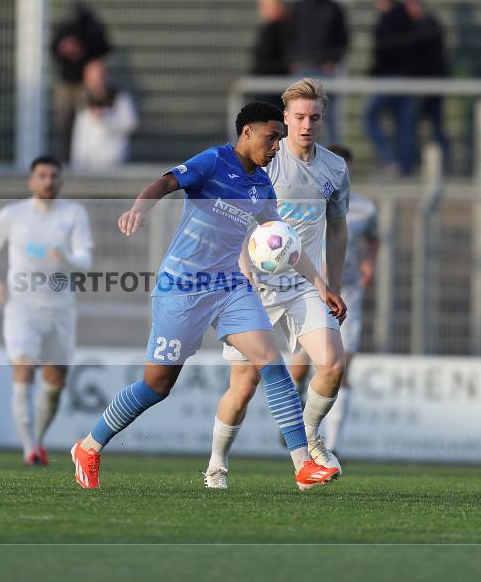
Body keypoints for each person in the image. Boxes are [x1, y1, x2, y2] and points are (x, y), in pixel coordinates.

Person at [70, 101, 346, 491]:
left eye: (279, 140)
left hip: (230, 285)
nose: (276, 147)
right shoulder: (214, 161)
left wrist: (321, 285)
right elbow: (166, 182)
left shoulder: (262, 186)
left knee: (272, 361)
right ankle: (89, 446)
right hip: (182, 287)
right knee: (157, 386)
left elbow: (284, 243)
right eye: (271, 137)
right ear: (247, 132)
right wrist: (140, 207)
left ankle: (302, 463)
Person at [203, 79, 349, 490]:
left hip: (305, 285)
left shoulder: (335, 168)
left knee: (334, 364)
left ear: (323, 119)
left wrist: (330, 284)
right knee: (244, 385)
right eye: (299, 117)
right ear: (284, 119)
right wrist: (240, 262)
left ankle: (309, 439)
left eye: (314, 117)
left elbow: (338, 229)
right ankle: (216, 464)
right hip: (254, 287)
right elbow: (228, 214)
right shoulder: (265, 158)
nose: (307, 125)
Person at [0, 156, 93, 465]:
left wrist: (66, 257)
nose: (48, 181)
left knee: (54, 383)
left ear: (61, 181)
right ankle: (30, 449)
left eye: (54, 176)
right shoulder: (13, 215)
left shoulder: (73, 213)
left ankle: (37, 439)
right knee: (23, 368)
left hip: (60, 309)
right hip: (21, 307)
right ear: (31, 181)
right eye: (41, 176)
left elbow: (86, 260)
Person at [304, 144, 378, 453]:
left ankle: (330, 446)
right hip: (307, 289)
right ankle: (299, 422)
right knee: (300, 368)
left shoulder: (364, 208)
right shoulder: (307, 199)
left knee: (341, 366)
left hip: (346, 291)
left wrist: (368, 264)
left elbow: (373, 238)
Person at [283, 0, 348, 142]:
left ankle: (332, 159)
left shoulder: (334, 8)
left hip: (324, 70)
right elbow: (288, 36)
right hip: (301, 69)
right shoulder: (298, 7)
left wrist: (333, 60)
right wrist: (293, 59)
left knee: (328, 117)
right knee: (298, 115)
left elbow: (343, 38)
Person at [364, 0, 419, 176]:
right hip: (409, 80)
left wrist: (374, 71)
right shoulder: (410, 21)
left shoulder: (386, 21)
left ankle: (389, 159)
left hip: (389, 79)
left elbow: (382, 54)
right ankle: (405, 168)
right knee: (404, 125)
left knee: (370, 117)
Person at [51, 1, 111, 163]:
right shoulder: (63, 26)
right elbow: (54, 49)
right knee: (64, 125)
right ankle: (65, 159)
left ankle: (90, 159)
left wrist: (84, 49)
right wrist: (63, 48)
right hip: (66, 82)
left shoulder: (93, 27)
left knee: (90, 121)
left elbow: (104, 49)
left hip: (86, 83)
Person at [405, 0, 450, 170]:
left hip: (427, 84)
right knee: (425, 125)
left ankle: (436, 164)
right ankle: (428, 163)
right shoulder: (430, 24)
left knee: (424, 125)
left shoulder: (425, 25)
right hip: (429, 83)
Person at [70, 59, 138, 169]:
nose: (96, 82)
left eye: (99, 77)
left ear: (106, 77)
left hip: (114, 163)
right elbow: (79, 136)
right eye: (91, 79)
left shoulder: (120, 98)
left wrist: (106, 118)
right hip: (87, 166)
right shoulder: (83, 101)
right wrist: (76, 163)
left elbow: (130, 125)